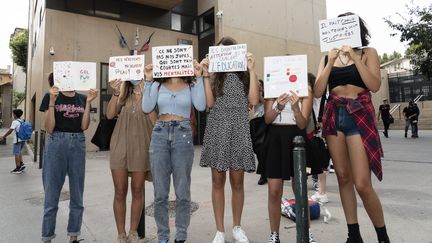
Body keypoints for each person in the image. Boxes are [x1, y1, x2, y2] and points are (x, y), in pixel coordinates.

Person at [314, 12, 390, 243]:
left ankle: (382, 237)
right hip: (334, 116)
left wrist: (355, 58)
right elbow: (318, 91)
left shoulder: (368, 53)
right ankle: (353, 235)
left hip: (359, 115)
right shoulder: (327, 57)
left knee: (362, 183)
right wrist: (330, 59)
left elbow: (375, 85)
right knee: (343, 178)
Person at [200, 36, 259, 243]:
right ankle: (219, 231)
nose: (222, 54)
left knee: (238, 182)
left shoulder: (245, 74)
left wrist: (252, 69)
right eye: (218, 51)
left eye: (226, 50)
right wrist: (206, 75)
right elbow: (209, 103)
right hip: (217, 126)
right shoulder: (214, 75)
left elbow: (253, 101)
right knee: (217, 181)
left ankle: (237, 227)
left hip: (239, 127)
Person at [143, 60, 206, 243]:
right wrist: (148, 80)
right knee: (160, 192)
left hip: (183, 134)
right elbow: (146, 108)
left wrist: (199, 76)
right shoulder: (156, 84)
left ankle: (181, 235)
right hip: (160, 133)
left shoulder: (192, 84)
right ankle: (163, 236)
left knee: (182, 190)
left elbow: (201, 106)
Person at [259, 72, 316, 243]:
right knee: (274, 191)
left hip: (296, 139)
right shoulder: (271, 89)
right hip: (275, 140)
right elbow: (268, 119)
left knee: (300, 190)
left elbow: (302, 124)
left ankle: (306, 232)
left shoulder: (305, 90)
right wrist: (279, 106)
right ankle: (274, 235)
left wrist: (296, 107)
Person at [39, 85, 98, 243]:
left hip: (77, 142)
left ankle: (73, 236)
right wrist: (52, 101)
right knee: (51, 196)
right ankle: (47, 238)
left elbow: (84, 126)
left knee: (77, 194)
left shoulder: (83, 98)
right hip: (55, 142)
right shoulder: (51, 95)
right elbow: (49, 127)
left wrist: (88, 102)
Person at [106, 78, 156, 243]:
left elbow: (155, 122)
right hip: (120, 143)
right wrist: (115, 92)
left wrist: (145, 92)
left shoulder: (152, 89)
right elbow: (110, 114)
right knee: (120, 191)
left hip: (142, 144)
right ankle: (121, 233)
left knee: (137, 189)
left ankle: (133, 232)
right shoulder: (122, 91)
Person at [249, 79, 267, 185]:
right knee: (258, 148)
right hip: (256, 122)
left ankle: (264, 174)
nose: (258, 86)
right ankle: (263, 171)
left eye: (260, 85)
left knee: (263, 147)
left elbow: (265, 103)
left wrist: (260, 93)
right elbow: (251, 105)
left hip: (265, 122)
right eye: (257, 85)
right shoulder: (253, 94)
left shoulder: (266, 94)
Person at [0, 109, 27, 174]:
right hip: (23, 139)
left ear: (15, 114)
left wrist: (3, 136)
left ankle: (18, 168)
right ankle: (21, 164)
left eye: (13, 114)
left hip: (17, 140)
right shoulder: (22, 121)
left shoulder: (15, 122)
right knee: (19, 152)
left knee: (16, 153)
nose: (13, 115)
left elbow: (10, 130)